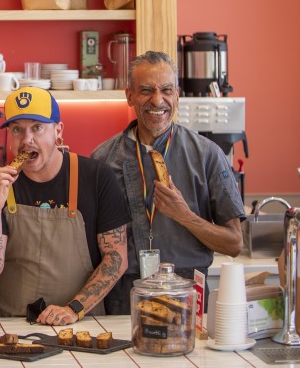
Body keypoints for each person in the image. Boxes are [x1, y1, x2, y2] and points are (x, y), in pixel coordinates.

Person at [92, 51, 245, 314]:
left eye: (166, 90)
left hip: (187, 295)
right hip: (123, 298)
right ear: (129, 96)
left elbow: (234, 244)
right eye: (146, 90)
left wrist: (185, 216)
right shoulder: (102, 159)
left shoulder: (207, 155)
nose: (157, 100)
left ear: (177, 95)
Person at [0, 87, 130, 324]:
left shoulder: (96, 177)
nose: (27, 140)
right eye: (17, 130)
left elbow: (116, 258)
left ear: (58, 131)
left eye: (37, 127)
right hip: (8, 325)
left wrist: (74, 308)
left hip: (79, 322)